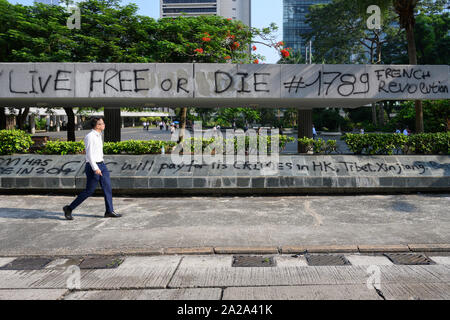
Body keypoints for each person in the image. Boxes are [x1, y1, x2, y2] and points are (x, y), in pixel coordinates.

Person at [63, 117, 121, 220]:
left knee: (107, 187)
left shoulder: (99, 135)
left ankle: (109, 211)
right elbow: (89, 155)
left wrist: (101, 165)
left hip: (102, 165)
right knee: (89, 191)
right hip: (93, 166)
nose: (104, 125)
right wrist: (95, 168)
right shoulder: (90, 137)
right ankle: (69, 208)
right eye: (102, 123)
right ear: (97, 125)